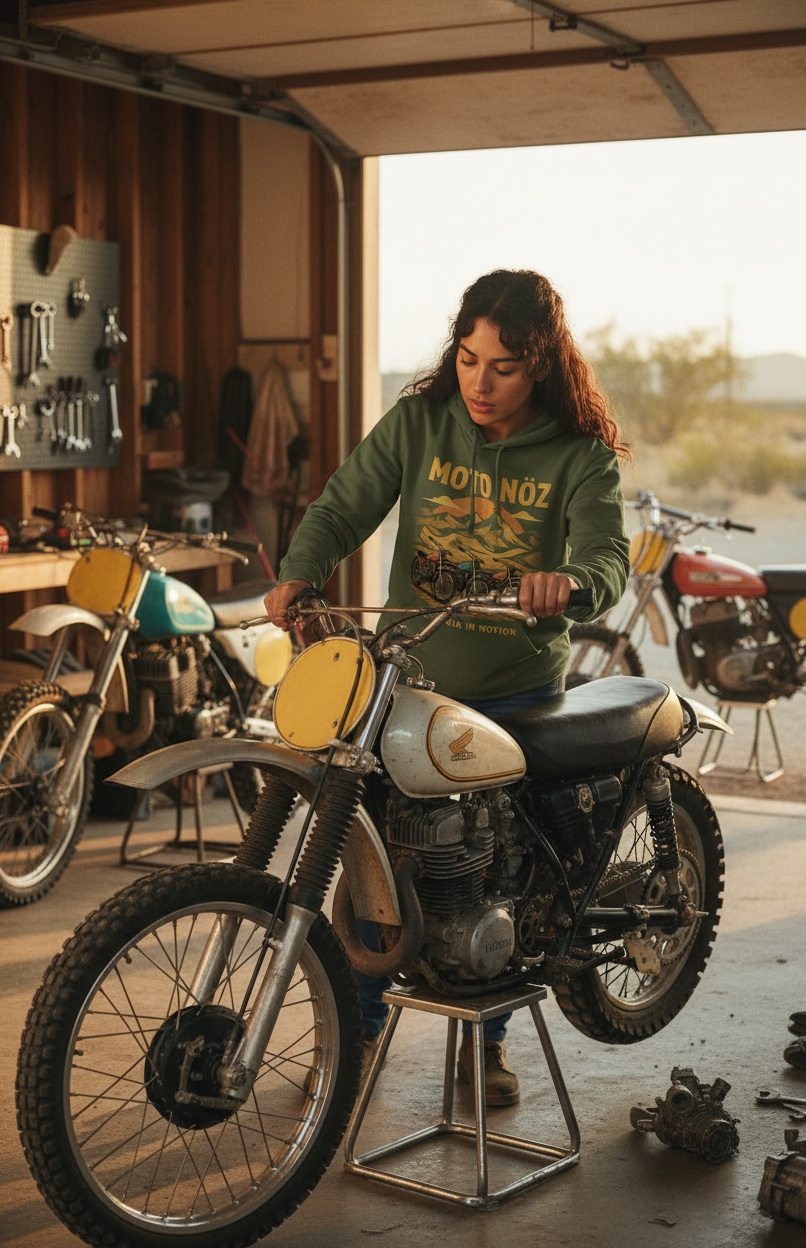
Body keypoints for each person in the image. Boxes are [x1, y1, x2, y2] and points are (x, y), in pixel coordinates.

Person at [265, 269, 631, 1105]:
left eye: (503, 366)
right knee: (374, 861)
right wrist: (300, 572)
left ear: (542, 364)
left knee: (497, 873)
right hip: (409, 680)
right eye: (468, 359)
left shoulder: (580, 455)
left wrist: (571, 583)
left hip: (515, 691)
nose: (479, 382)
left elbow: (608, 556)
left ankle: (485, 1045)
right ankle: (357, 1031)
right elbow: (342, 507)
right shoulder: (419, 422)